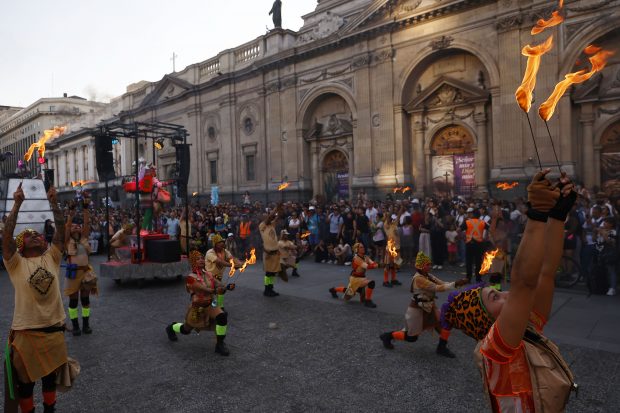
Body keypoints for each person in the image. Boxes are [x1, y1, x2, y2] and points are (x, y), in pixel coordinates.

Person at [441, 170, 578, 412]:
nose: (505, 294)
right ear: (485, 321)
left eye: (499, 292)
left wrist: (558, 216)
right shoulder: (493, 350)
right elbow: (523, 284)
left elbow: (545, 273)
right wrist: (536, 215)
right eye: (495, 297)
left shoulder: (526, 329)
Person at [3, 183, 74, 413]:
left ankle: (50, 410)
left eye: (37, 234)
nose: (34, 235)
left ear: (44, 242)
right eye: (29, 235)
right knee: (25, 384)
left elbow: (62, 232)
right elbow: (6, 237)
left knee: (49, 380)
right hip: (26, 334)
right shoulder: (15, 263)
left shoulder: (52, 257)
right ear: (21, 246)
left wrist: (54, 203)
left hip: (53, 331)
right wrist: (16, 204)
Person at [379, 252, 468, 357]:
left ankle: (441, 348)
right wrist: (455, 284)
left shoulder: (428, 275)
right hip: (418, 309)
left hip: (430, 307)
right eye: (427, 264)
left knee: (445, 324)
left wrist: (457, 283)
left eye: (429, 264)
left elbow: (442, 283)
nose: (429, 266)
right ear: (421, 266)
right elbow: (437, 288)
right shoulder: (419, 279)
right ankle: (388, 336)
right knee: (411, 337)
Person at [165, 251, 235, 356]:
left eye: (202, 258)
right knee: (186, 329)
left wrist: (226, 287)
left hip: (210, 305)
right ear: (193, 262)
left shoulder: (209, 274)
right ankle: (171, 327)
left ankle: (220, 345)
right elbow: (203, 288)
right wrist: (215, 291)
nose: (201, 260)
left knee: (222, 317)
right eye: (198, 259)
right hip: (198, 307)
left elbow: (219, 285)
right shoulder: (190, 278)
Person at [64, 199, 98, 336]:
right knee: (73, 302)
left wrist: (85, 209)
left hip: (86, 273)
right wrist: (70, 214)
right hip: (73, 274)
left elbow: (86, 223)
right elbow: (66, 227)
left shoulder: (84, 238)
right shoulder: (67, 240)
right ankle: (75, 326)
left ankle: (86, 325)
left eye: (78, 226)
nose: (76, 227)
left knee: (85, 300)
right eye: (73, 226)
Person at [329, 243, 379, 308]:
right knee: (371, 283)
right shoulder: (356, 259)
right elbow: (367, 266)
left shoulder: (365, 257)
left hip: (362, 278)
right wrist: (376, 265)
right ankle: (368, 301)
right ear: (357, 249)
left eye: (363, 247)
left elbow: (372, 263)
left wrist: (376, 264)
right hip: (355, 279)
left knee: (352, 294)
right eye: (361, 247)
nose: (363, 248)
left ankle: (334, 289)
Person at [205, 234, 244, 309]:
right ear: (215, 245)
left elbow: (232, 258)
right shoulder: (210, 253)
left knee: (220, 291)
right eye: (220, 244)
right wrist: (233, 265)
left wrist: (239, 263)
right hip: (209, 277)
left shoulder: (225, 251)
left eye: (223, 244)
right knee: (215, 292)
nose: (222, 246)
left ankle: (219, 307)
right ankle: (213, 308)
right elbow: (220, 262)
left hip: (219, 277)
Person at [260, 207, 287, 297]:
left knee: (273, 273)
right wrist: (275, 208)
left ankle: (271, 288)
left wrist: (280, 210)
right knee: (268, 273)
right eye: (265, 217)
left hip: (275, 252)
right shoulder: (262, 226)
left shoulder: (272, 225)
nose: (267, 217)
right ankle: (266, 289)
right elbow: (270, 217)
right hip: (268, 253)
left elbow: (277, 217)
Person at [462, 208, 487, 282]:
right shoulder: (483, 222)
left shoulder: (467, 222)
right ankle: (478, 278)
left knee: (469, 262)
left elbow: (458, 230)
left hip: (469, 243)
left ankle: (468, 278)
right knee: (478, 262)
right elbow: (490, 229)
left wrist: (464, 237)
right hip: (479, 244)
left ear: (473, 214)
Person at [383, 214, 402, 287]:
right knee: (388, 264)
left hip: (396, 247)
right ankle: (385, 281)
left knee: (394, 264)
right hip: (390, 247)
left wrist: (401, 207)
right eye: (391, 218)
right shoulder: (386, 225)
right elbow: (388, 217)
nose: (392, 219)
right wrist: (390, 209)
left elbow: (398, 216)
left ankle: (393, 279)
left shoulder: (394, 224)